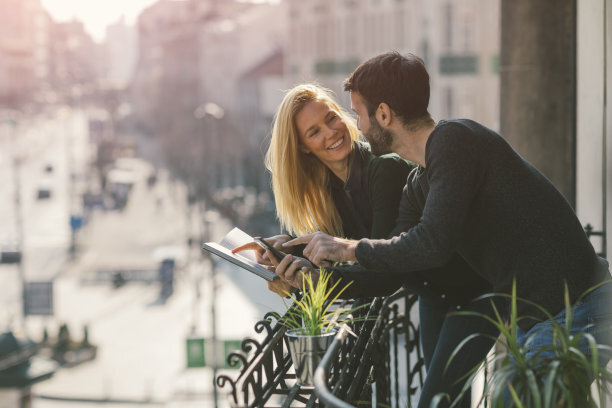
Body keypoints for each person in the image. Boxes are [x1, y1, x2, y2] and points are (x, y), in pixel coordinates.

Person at [274, 52, 612, 407]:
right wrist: (304, 270)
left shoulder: (454, 140)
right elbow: (396, 254)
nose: (354, 125)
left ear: (384, 115)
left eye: (358, 113)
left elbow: (431, 243)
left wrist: (345, 249)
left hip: (580, 308)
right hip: (539, 317)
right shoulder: (419, 182)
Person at [233, 83, 414, 295]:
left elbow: (384, 271)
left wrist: (314, 281)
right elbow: (347, 249)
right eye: (314, 132)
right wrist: (288, 249)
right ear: (302, 147)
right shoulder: (330, 185)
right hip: (429, 292)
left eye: (331, 118)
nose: (331, 132)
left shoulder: (385, 168)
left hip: (453, 285)